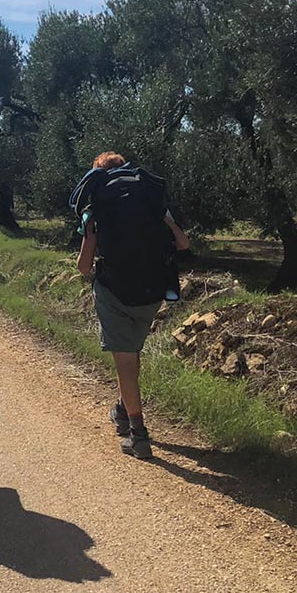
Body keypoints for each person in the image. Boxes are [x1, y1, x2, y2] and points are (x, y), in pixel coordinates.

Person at [71, 151, 190, 459]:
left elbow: (84, 267)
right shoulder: (151, 202)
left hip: (114, 293)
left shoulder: (98, 207)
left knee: (124, 362)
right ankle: (123, 410)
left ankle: (138, 434)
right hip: (151, 292)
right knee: (132, 353)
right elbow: (183, 243)